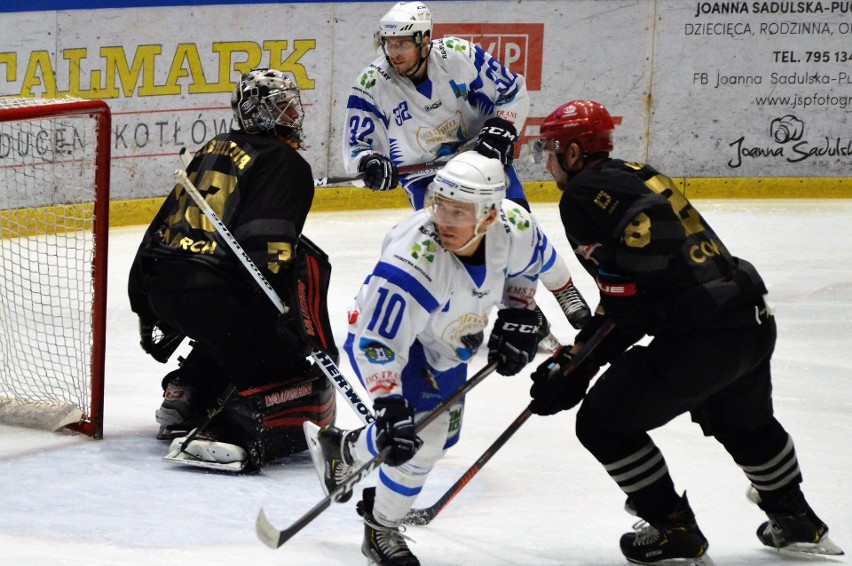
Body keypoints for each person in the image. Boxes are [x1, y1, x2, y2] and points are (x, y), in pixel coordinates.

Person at [526, 100, 844, 563]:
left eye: (552, 150)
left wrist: (579, 365)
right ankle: (798, 522)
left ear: (574, 153)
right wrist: (581, 356)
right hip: (749, 318)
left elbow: (629, 295)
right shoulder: (636, 171)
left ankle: (674, 530)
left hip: (703, 337)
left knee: (602, 422)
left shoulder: (581, 194)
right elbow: (638, 287)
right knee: (744, 423)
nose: (547, 161)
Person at [305, 151, 550, 565]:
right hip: (392, 342)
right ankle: (381, 527)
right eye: (440, 204)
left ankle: (343, 449)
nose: (444, 219)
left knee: (437, 437)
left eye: (459, 211)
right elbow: (377, 341)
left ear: (490, 215)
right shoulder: (415, 258)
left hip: (448, 341)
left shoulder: (516, 227)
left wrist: (520, 313)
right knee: (422, 439)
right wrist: (389, 403)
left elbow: (540, 270)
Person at [341, 1, 591, 346]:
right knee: (476, 251)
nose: (393, 52)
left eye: (402, 43)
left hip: (483, 156)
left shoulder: (459, 55)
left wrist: (502, 127)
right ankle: (528, 316)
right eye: (388, 43)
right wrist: (370, 161)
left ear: (424, 40)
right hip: (428, 179)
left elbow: (512, 91)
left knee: (520, 228)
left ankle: (564, 289)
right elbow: (358, 144)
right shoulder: (372, 83)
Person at [127, 68, 338, 473]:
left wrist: (145, 305)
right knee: (288, 363)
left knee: (235, 333)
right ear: (256, 113)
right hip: (209, 293)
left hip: (161, 286)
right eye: (281, 105)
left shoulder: (214, 147)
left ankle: (187, 391)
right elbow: (268, 248)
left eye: (292, 103)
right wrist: (287, 323)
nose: (293, 113)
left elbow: (161, 226)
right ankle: (227, 430)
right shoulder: (284, 161)